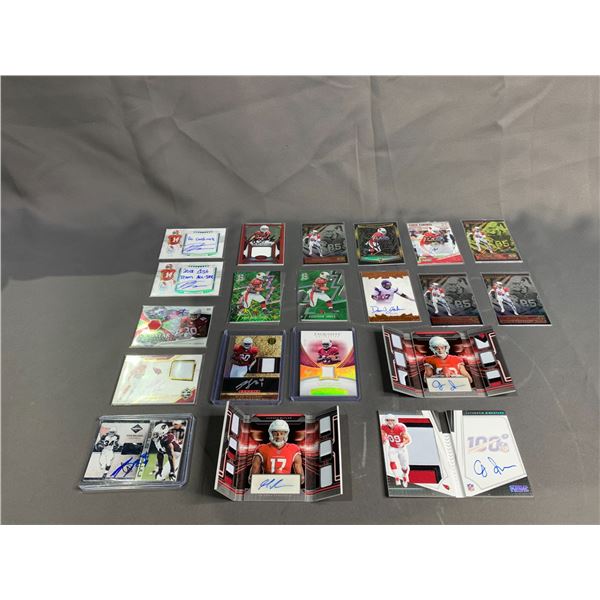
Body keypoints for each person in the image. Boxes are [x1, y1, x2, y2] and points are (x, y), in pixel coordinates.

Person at [380, 415, 411, 487]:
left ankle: (405, 475)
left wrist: (402, 443)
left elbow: (408, 439)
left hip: (401, 448)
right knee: (392, 461)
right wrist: (384, 439)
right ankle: (396, 477)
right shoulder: (384, 427)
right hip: (392, 448)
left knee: (404, 466)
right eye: (388, 420)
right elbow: (383, 436)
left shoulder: (400, 427)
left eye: (392, 420)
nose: (390, 422)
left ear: (395, 421)